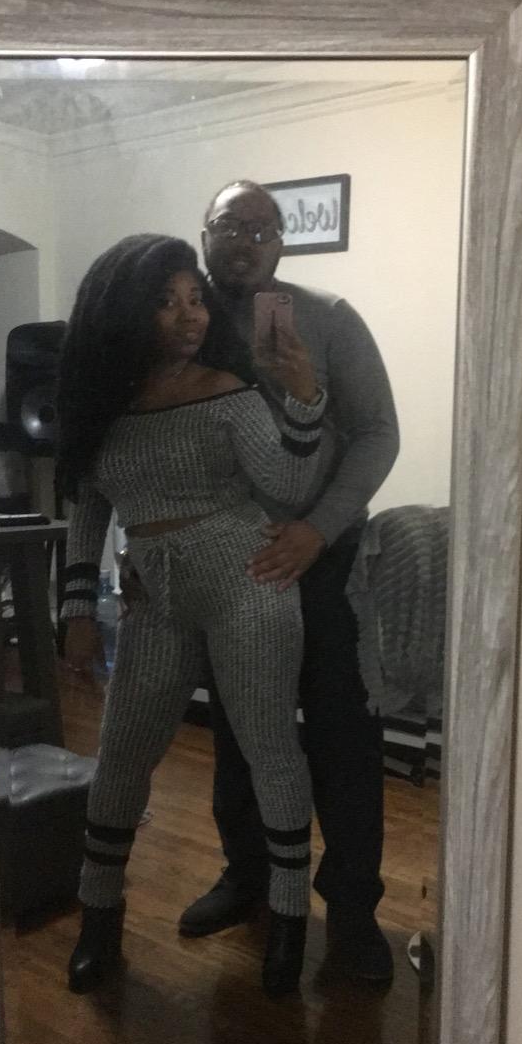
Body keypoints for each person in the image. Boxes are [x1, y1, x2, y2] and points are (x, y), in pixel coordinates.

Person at [126, 181, 400, 984]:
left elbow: (379, 433)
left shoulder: (330, 317)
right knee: (242, 733)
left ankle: (353, 912)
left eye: (262, 229)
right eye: (229, 226)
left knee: (343, 738)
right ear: (203, 234)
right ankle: (247, 877)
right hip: (233, 563)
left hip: (327, 561)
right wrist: (141, 543)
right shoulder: (186, 329)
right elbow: (150, 438)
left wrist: (319, 529)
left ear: (283, 242)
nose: (245, 241)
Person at [57, 233, 327, 998]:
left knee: (270, 747)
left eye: (195, 299)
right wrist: (77, 607)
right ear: (122, 312)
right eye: (167, 302)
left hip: (248, 579)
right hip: (153, 600)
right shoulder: (102, 407)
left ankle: (287, 920)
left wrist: (304, 396)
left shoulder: (228, 389)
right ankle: (98, 921)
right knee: (121, 757)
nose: (190, 316)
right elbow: (89, 509)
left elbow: (288, 486)